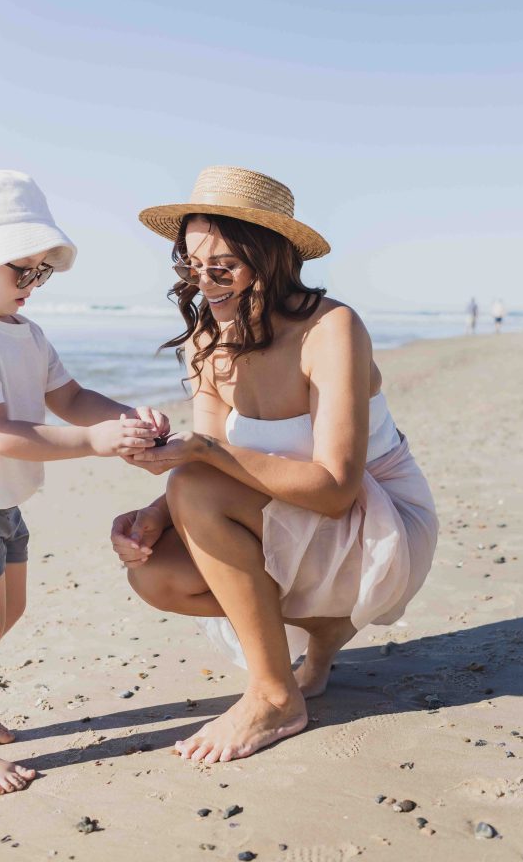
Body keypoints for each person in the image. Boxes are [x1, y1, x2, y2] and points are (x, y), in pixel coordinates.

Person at [110, 165, 438, 765]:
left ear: (272, 259)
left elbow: (337, 490)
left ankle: (273, 694)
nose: (204, 283)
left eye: (222, 267)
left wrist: (200, 459)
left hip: (379, 525)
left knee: (196, 486)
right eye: (189, 265)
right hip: (295, 519)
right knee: (153, 572)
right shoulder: (208, 338)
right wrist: (152, 516)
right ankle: (323, 629)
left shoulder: (330, 328)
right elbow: (205, 459)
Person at [0, 169, 169, 796]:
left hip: (0, 501)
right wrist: (91, 443)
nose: (32, 285)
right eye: (18, 271)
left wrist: (123, 418)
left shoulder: (26, 333)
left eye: (40, 272)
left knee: (9, 611)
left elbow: (71, 396)